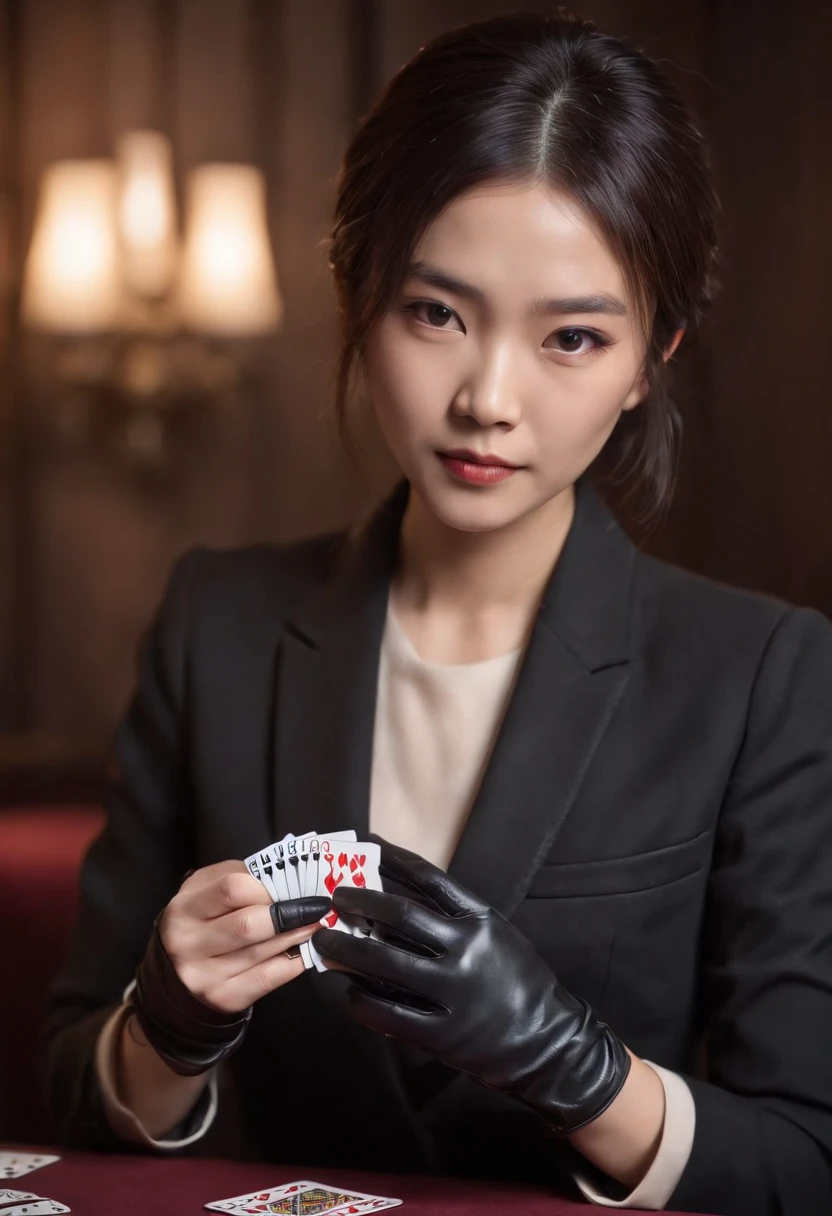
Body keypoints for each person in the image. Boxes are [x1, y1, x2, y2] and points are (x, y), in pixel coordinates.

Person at [41, 11, 832, 1215]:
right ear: (360, 295)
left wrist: (575, 1066)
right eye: (436, 313)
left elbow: (802, 1163)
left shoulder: (762, 674)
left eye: (571, 336)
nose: (487, 399)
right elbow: (74, 1096)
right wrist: (167, 1027)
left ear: (648, 358)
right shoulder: (220, 622)